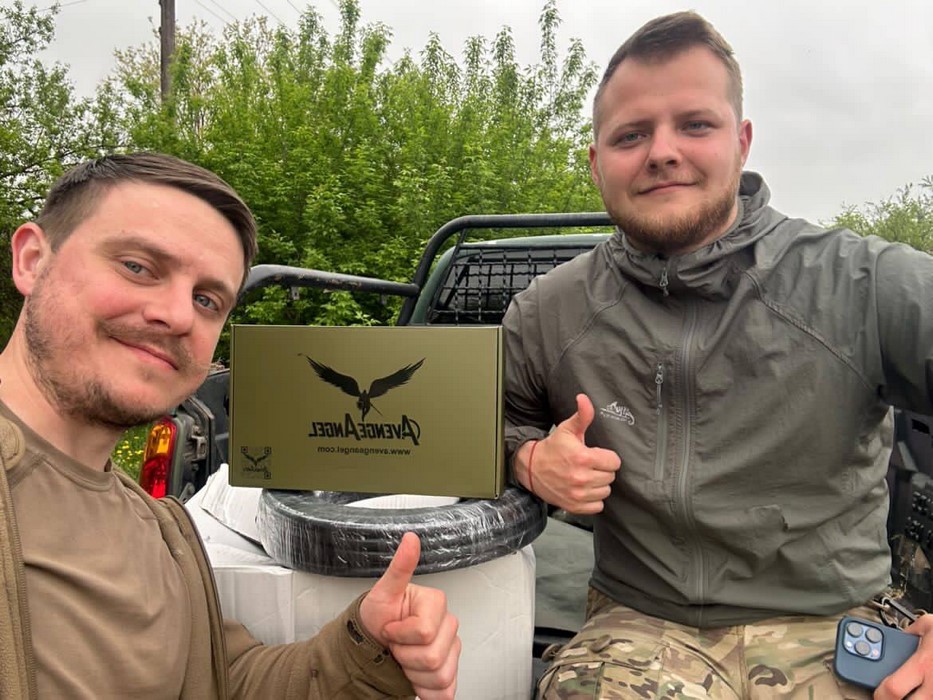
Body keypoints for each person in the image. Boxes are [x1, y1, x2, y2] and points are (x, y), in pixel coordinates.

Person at [503, 11, 933, 699]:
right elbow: (461, 430)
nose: (661, 152)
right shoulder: (548, 312)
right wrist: (526, 457)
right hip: (636, 630)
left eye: (694, 125)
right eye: (630, 135)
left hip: (832, 628)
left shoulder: (863, 284)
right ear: (596, 162)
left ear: (741, 142)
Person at [0, 152, 460, 699]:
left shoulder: (159, 530)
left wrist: (365, 645)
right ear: (32, 260)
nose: (177, 315)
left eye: (207, 299)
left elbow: (220, 679)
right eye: (137, 267)